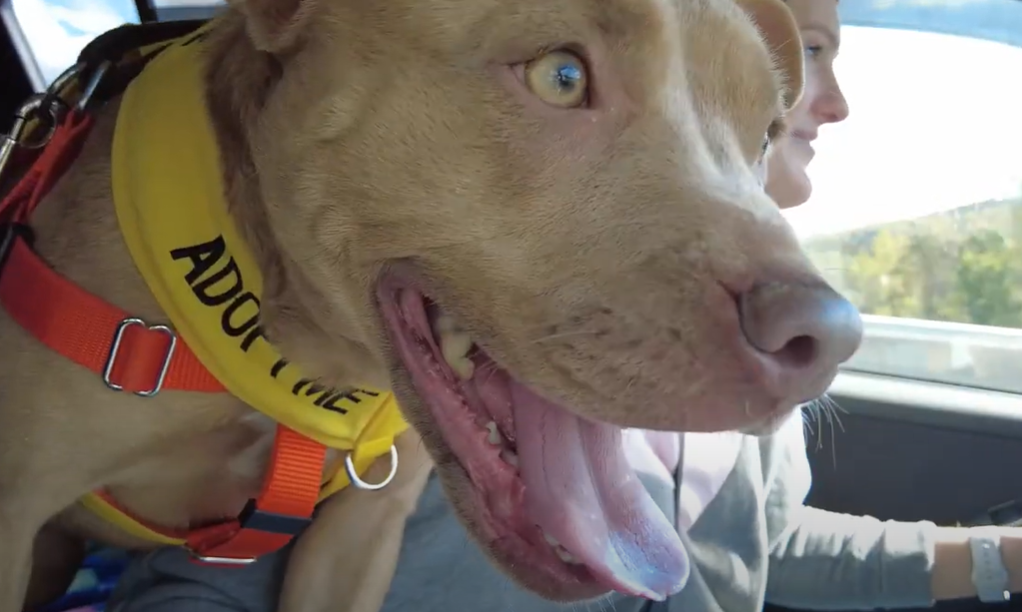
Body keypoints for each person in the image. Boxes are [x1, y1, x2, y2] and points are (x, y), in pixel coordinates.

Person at [104, 1, 1022, 611]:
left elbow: (759, 550)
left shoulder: (773, 332)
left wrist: (997, 559)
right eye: (807, 52)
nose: (831, 99)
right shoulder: (439, 334)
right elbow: (204, 579)